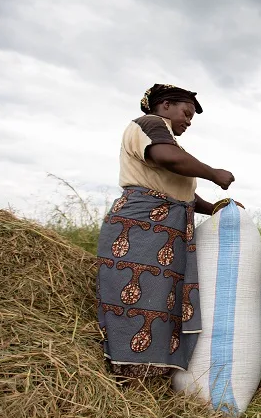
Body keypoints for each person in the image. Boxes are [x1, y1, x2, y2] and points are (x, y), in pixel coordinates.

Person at [96, 83, 238, 380]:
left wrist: (213, 208)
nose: (188, 120)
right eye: (186, 113)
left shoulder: (170, 141)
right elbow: (168, 158)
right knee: (134, 302)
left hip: (161, 231)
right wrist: (214, 173)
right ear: (165, 106)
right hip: (141, 230)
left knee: (157, 302)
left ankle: (145, 376)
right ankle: (124, 375)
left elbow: (180, 188)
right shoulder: (149, 125)